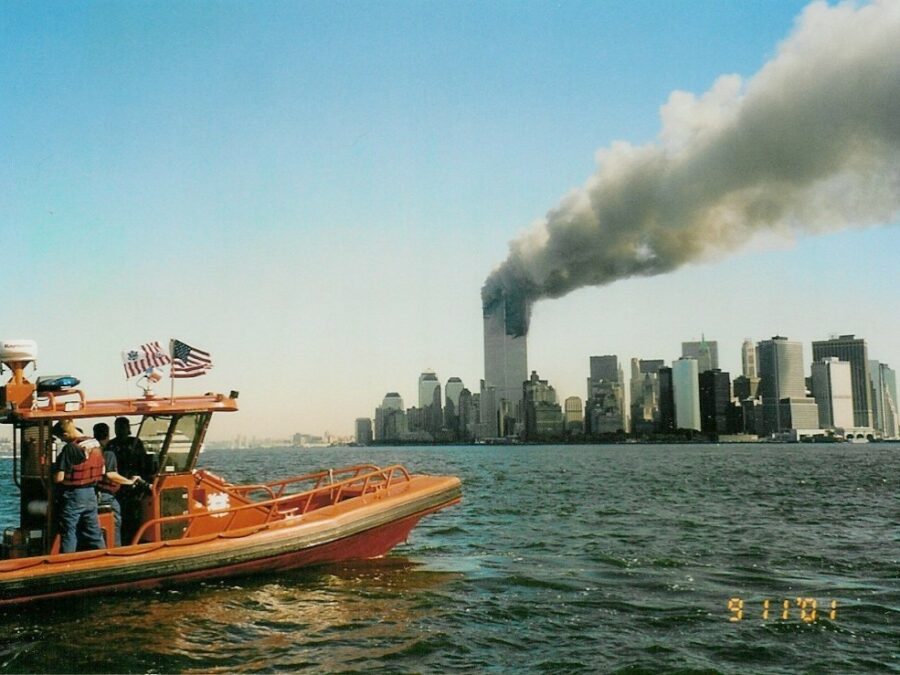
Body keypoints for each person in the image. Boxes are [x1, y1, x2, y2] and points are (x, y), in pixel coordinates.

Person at [52, 418, 106, 553]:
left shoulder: (70, 448)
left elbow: (59, 478)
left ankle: (67, 562)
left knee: (69, 531)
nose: (63, 441)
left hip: (74, 495)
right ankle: (103, 556)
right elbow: (103, 470)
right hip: (91, 494)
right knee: (94, 531)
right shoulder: (94, 443)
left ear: (65, 435)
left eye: (61, 438)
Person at [93, 422, 140, 547]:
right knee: (114, 521)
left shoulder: (95, 450)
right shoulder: (109, 451)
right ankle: (116, 547)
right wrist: (129, 481)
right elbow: (110, 474)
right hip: (109, 491)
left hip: (106, 490)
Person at [106, 417, 149, 544]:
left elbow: (144, 462)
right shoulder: (111, 445)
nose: (119, 430)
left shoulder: (135, 443)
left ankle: (133, 539)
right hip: (118, 484)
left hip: (133, 484)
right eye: (117, 427)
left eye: (122, 427)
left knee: (134, 515)